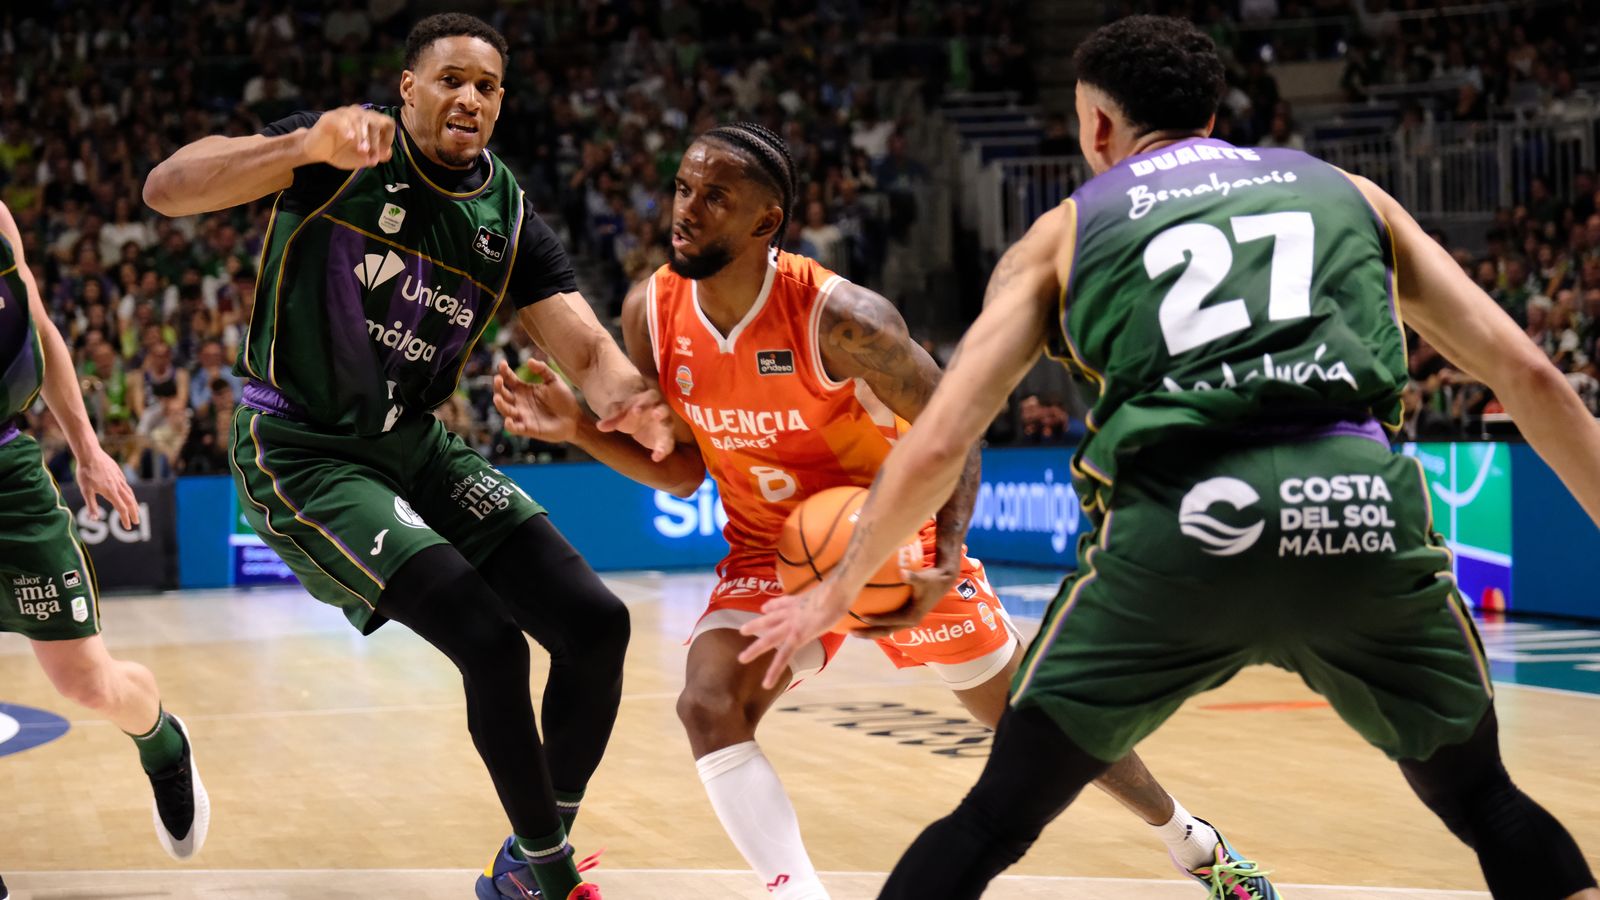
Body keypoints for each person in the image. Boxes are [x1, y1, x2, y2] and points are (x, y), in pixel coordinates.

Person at [740, 16, 1600, 900]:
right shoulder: (1351, 194)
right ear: (1212, 111)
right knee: (1489, 805)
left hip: (1182, 528)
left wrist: (839, 588)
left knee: (995, 817)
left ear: (1100, 126)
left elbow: (944, 436)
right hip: (1358, 509)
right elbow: (1527, 371)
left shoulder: (1062, 234)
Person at [494, 122, 1276, 900]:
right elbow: (685, 474)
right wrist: (578, 431)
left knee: (1038, 728)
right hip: (774, 554)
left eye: (715, 197)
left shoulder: (843, 321)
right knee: (707, 702)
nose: (686, 210)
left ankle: (1195, 844)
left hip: (891, 539)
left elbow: (958, 425)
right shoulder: (652, 311)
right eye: (684, 189)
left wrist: (945, 552)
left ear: (765, 222)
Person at [143, 14, 675, 900]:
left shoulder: (506, 214)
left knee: (597, 625)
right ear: (408, 87)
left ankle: (531, 853)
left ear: (501, 104)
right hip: (303, 450)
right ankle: (549, 879)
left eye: (487, 86)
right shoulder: (338, 149)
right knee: (489, 640)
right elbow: (169, 187)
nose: (469, 97)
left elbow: (586, 353)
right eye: (451, 80)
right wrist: (299, 145)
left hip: (416, 444)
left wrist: (637, 407)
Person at [0, 200, 209, 871]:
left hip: (6, 475)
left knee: (87, 682)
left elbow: (36, 325)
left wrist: (88, 448)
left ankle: (162, 742)